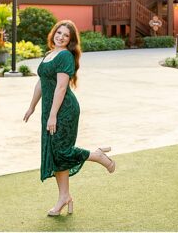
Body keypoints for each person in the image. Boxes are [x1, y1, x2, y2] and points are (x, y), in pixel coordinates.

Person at [23, 21, 116, 216]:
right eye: (59, 33)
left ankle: (96, 155)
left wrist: (53, 115)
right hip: (50, 111)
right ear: (53, 34)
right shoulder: (49, 55)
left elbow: (61, 87)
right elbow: (41, 83)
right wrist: (32, 106)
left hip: (64, 110)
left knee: (62, 152)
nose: (61, 37)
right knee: (56, 155)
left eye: (66, 35)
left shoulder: (65, 56)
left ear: (70, 40)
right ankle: (64, 197)